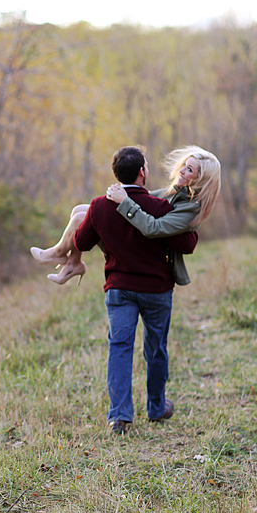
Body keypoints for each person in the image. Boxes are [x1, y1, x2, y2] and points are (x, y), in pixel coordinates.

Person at [49, 146, 200, 435]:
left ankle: (120, 417)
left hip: (119, 289)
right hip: (156, 290)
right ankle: (156, 408)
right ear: (143, 171)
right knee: (156, 349)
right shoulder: (162, 207)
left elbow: (80, 243)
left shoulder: (100, 206)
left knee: (119, 348)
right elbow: (186, 244)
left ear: (116, 173)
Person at [30, 145, 221, 286]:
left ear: (201, 179)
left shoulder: (192, 206)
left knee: (82, 217)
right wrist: (118, 193)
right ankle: (73, 262)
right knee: (80, 210)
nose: (182, 170)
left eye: (189, 169)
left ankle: (58, 253)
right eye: (184, 165)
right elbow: (142, 198)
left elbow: (154, 228)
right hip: (140, 236)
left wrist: (123, 200)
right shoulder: (175, 192)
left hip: (148, 247)